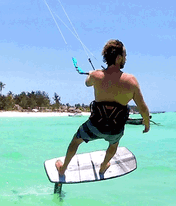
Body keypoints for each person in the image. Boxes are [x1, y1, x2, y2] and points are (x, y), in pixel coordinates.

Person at [56, 39, 150, 176]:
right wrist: (146, 124)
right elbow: (143, 108)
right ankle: (103, 165)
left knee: (75, 141)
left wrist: (92, 74)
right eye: (125, 55)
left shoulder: (96, 75)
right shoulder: (131, 81)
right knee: (113, 145)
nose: (126, 58)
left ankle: (63, 169)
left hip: (94, 126)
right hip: (115, 130)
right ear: (118, 58)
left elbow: (87, 83)